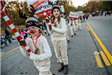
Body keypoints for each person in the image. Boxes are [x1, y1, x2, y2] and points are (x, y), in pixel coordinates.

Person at [47, 5, 68, 74]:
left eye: (57, 11)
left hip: (62, 39)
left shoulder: (62, 20)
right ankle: (62, 65)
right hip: (54, 39)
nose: (56, 12)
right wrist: (47, 25)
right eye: (54, 11)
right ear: (52, 13)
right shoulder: (51, 20)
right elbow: (50, 32)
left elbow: (64, 30)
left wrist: (54, 28)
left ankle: (66, 66)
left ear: (59, 12)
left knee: (63, 53)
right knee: (58, 54)